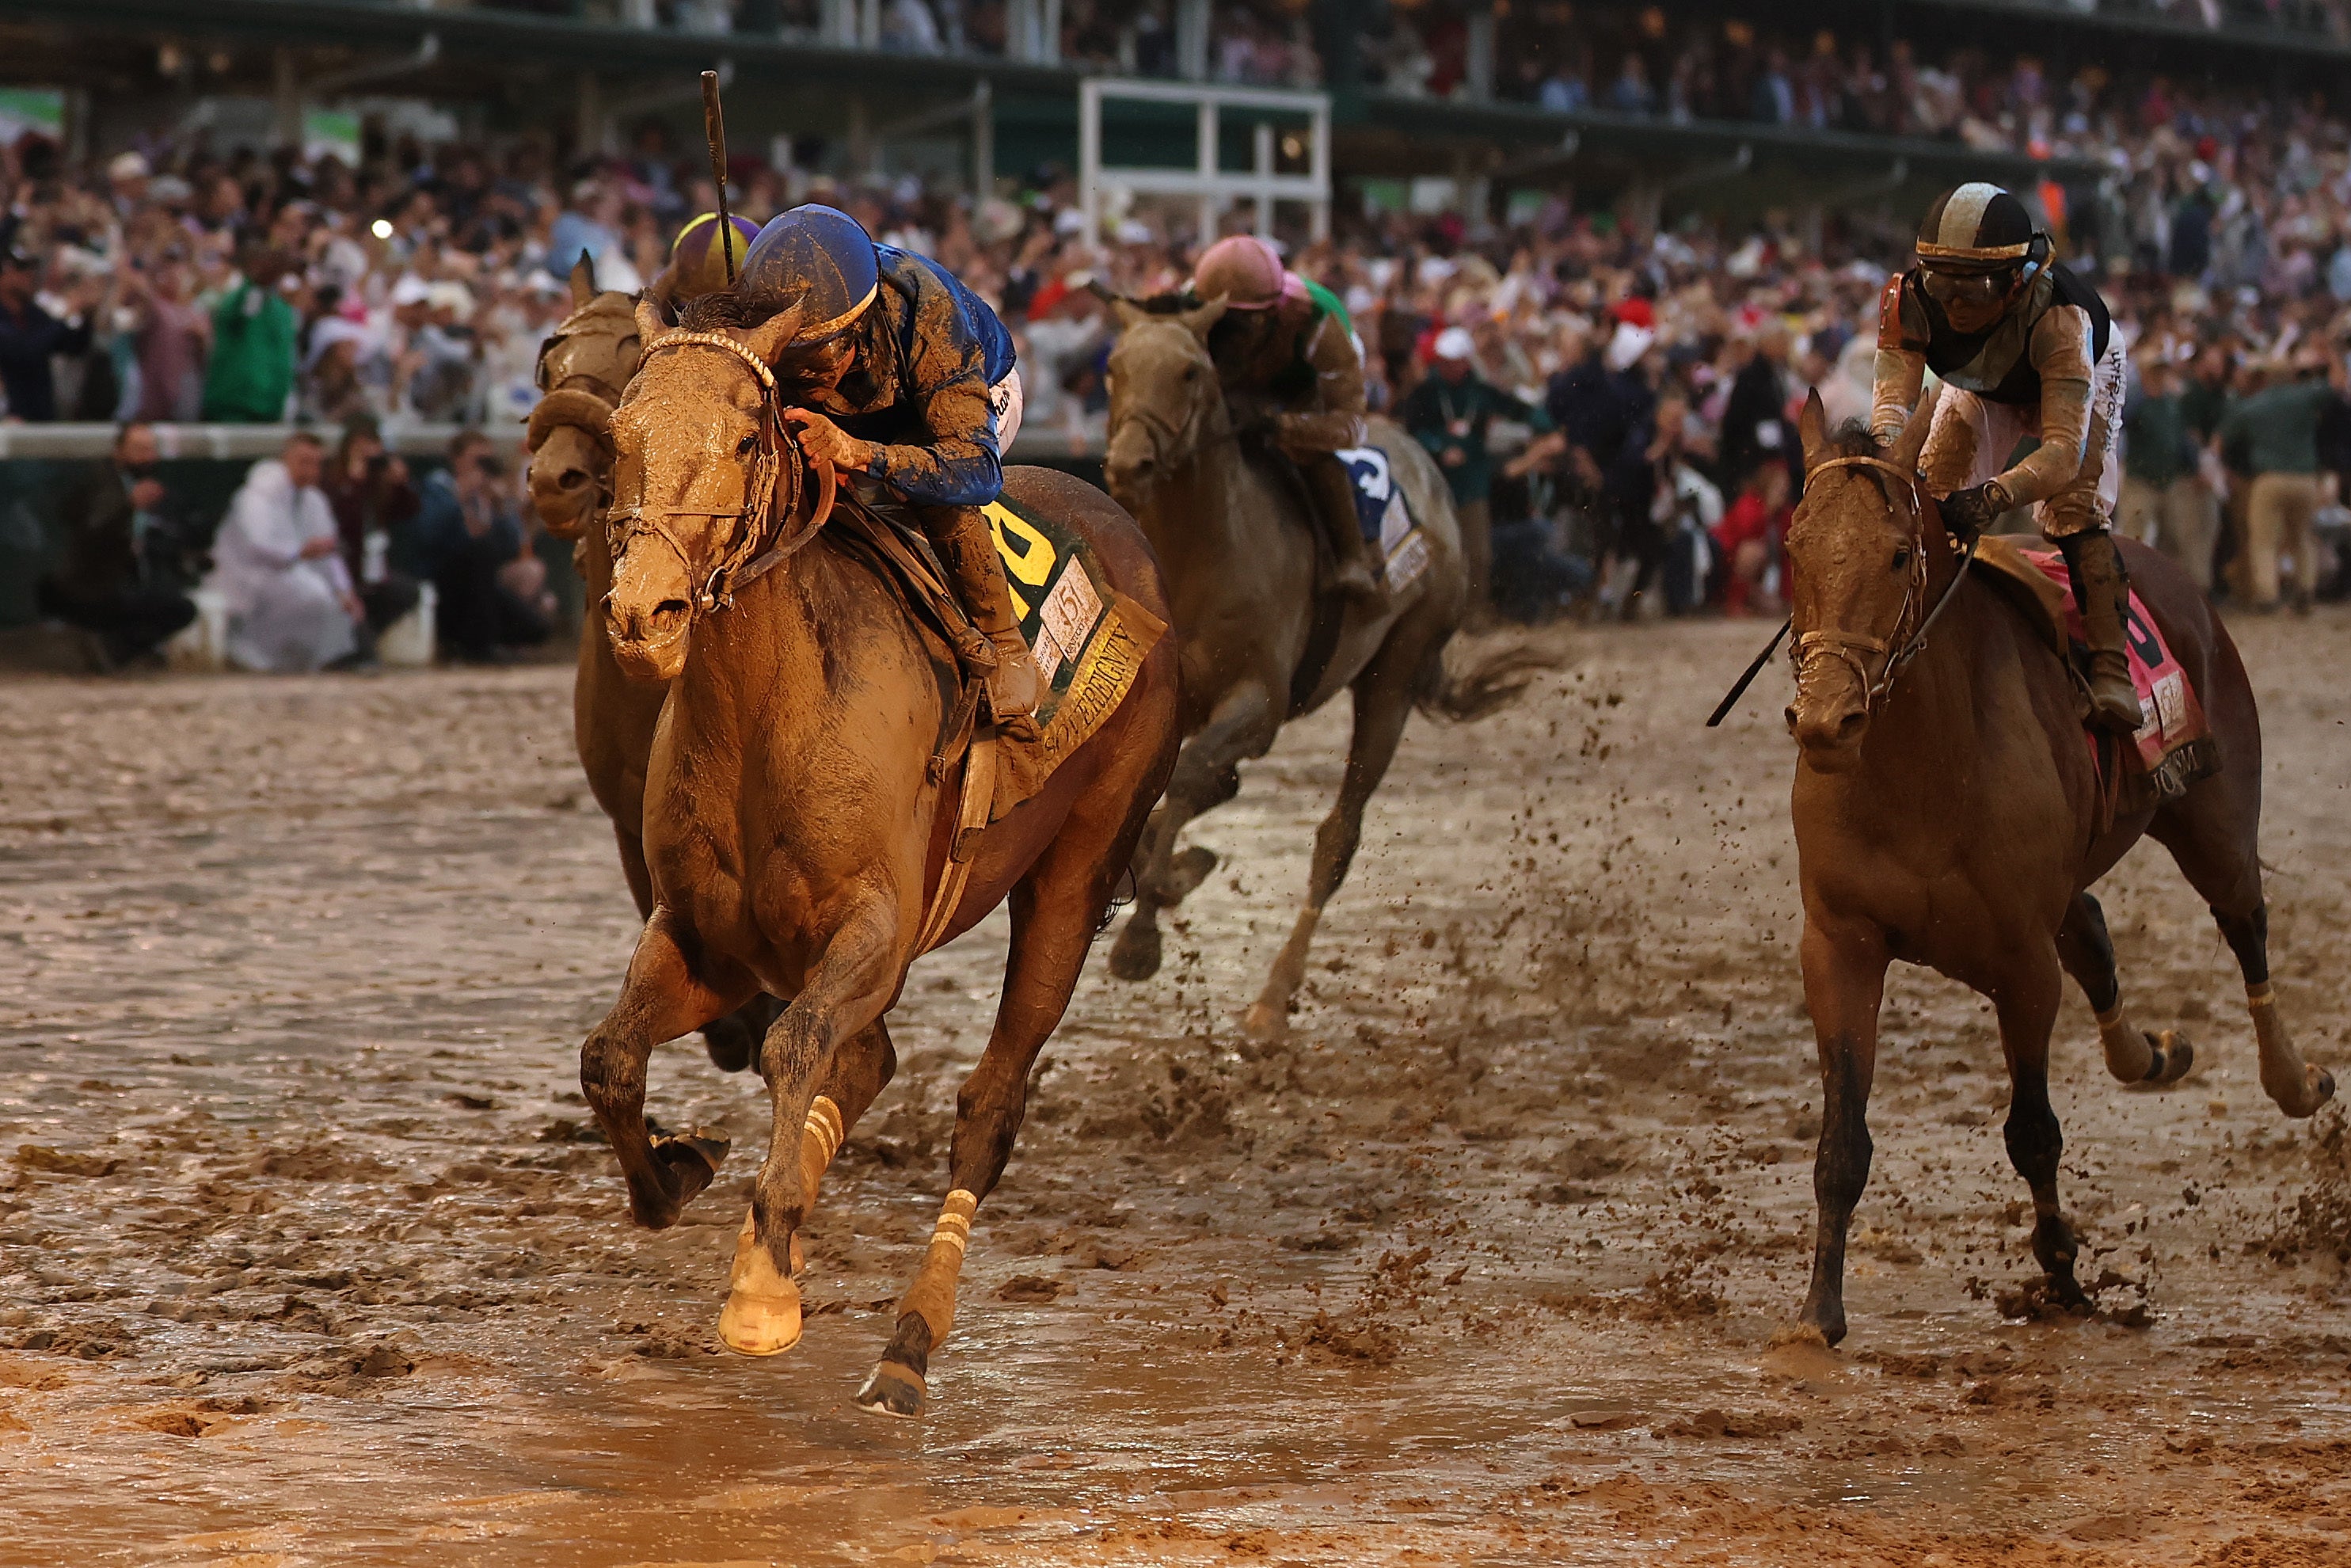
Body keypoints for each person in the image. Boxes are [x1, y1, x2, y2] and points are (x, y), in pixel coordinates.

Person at [727, 203, 1041, 733]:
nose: (801, 377)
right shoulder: (761, 312)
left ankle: (1005, 646)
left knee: (932, 492)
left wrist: (858, 453)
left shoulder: (928, 316)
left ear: (857, 328)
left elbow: (976, 471)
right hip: (865, 401)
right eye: (789, 359)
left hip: (976, 389)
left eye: (816, 358)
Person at [1871, 183, 2140, 732]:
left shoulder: (2062, 319)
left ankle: (2112, 669)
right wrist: (1882, 468)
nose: (1954, 304)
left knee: (2072, 510)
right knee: (1932, 494)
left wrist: (1994, 496)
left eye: (1976, 287)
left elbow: (2063, 452)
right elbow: (1890, 414)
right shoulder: (1907, 300)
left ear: (2020, 280)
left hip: (2079, 376)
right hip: (1983, 385)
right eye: (1941, 283)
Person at [1158, 234, 1381, 601]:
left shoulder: (1318, 321)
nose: (1229, 333)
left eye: (1241, 322)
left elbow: (1352, 426)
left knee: (1310, 454)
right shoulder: (1188, 304)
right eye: (1220, 318)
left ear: (1271, 311)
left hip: (1301, 388)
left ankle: (1352, 557)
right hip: (1229, 383)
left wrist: (1284, 426)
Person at [1398, 325, 1558, 618]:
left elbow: (1520, 409)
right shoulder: (1426, 394)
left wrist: (1547, 427)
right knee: (1437, 551)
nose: (1449, 367)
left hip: (1471, 483)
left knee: (1478, 552)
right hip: (1434, 483)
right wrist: (1439, 449)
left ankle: (1474, 613)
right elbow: (1413, 430)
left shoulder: (1480, 393)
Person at [35, 421, 197, 665]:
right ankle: (107, 650)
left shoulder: (155, 489)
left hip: (128, 585)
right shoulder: (100, 483)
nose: (147, 457)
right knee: (171, 608)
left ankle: (114, 650)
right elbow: (93, 531)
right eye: (139, 449)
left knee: (180, 606)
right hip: (86, 587)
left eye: (150, 450)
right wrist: (128, 506)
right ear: (119, 451)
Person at [206, 432, 361, 672]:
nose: (310, 470)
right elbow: (259, 545)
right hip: (246, 576)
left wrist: (345, 589)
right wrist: (300, 552)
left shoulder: (315, 500)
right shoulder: (256, 495)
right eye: (303, 462)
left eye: (316, 463)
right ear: (285, 461)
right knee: (313, 594)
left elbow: (330, 551)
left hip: (289, 576)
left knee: (326, 597)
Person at [2216, 347, 2344, 613]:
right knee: (2302, 538)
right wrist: (2333, 353)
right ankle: (2305, 590)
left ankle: (2267, 594)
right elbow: (2337, 385)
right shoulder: (2304, 397)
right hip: (2305, 478)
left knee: (2264, 540)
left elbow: (2222, 441)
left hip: (2269, 478)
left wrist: (2228, 470)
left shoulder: (2251, 406)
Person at [409, 429, 550, 663]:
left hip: (484, 585)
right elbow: (426, 534)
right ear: (457, 459)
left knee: (537, 628)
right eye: (477, 460)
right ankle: (478, 648)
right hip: (445, 578)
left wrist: (502, 506)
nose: (482, 468)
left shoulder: (486, 497)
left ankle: (495, 643)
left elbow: (514, 546)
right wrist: (459, 496)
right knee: (479, 552)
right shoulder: (437, 487)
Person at [322, 416, 423, 656]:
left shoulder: (379, 484)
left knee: (407, 592)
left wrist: (399, 483)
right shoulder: (333, 481)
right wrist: (354, 480)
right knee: (364, 653)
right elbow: (343, 522)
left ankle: (367, 632)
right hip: (343, 570)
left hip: (375, 569)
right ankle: (354, 644)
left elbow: (410, 511)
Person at [2117, 351, 2214, 591]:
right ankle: (2133, 589)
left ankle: (2177, 590)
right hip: (2141, 480)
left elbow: (2180, 438)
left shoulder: (2171, 403)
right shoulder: (2137, 401)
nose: (2159, 375)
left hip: (2169, 480)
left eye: (2162, 370)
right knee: (2135, 535)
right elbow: (2121, 421)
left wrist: (2195, 467)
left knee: (2177, 538)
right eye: (2155, 370)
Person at [201, 249, 299, 423]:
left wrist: (278, 404)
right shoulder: (241, 300)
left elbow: (284, 362)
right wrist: (255, 285)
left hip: (270, 410)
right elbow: (238, 310)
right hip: (232, 406)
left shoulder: (284, 313)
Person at [0, 248, 97, 422]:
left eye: (31, 270)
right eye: (21, 270)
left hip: (40, 413)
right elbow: (25, 351)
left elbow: (72, 347)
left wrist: (86, 316)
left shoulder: (33, 315)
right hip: (9, 416)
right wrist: (67, 314)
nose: (29, 276)